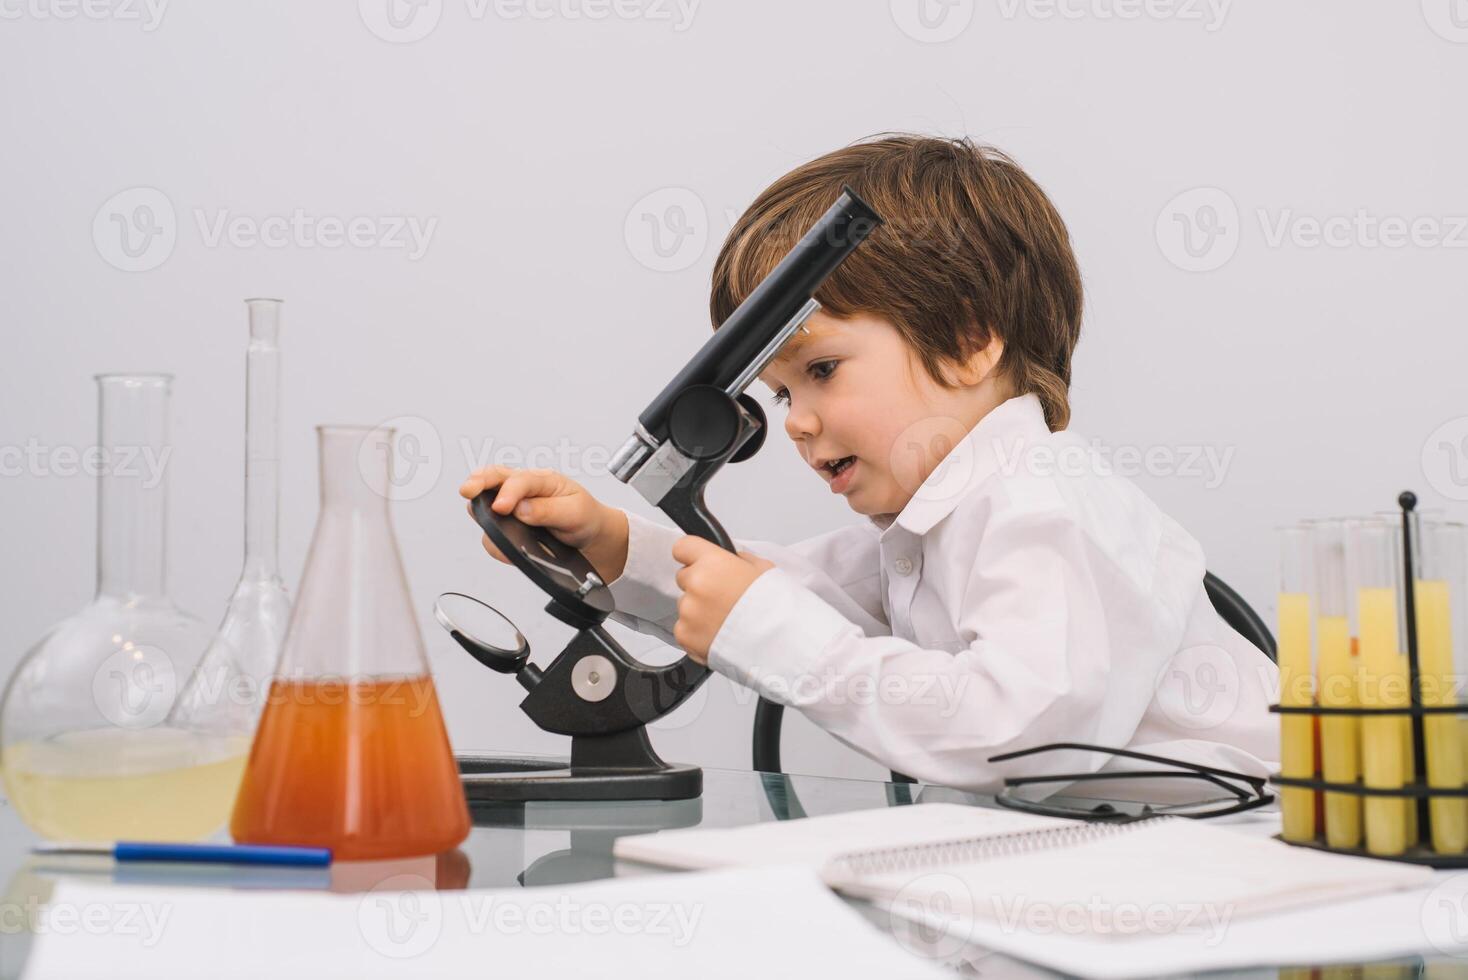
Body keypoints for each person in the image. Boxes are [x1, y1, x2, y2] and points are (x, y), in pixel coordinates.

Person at [460, 133, 1279, 792]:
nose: (797, 423)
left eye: (820, 372)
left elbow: (1028, 744)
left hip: (1241, 872)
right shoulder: (934, 523)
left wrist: (785, 642)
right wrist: (608, 543)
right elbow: (776, 592)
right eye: (779, 395)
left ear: (967, 340)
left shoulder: (1046, 507)